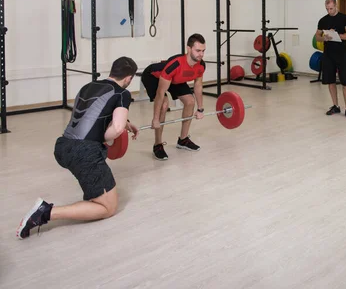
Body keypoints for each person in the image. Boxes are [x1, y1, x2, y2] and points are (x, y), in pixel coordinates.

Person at [16, 57, 139, 239]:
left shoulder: (88, 86)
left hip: (63, 146)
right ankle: (46, 212)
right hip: (85, 152)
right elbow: (117, 129)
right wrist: (110, 133)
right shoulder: (122, 93)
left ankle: (92, 196)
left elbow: (92, 114)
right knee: (109, 208)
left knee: (98, 192)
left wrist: (125, 121)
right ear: (129, 78)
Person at [141, 33, 206, 160]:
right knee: (164, 105)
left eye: (203, 51)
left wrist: (200, 109)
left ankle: (183, 140)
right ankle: (158, 145)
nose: (201, 54)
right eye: (198, 50)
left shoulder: (201, 65)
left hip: (176, 79)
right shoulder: (174, 65)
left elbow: (198, 86)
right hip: (153, 76)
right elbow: (160, 93)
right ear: (188, 49)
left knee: (190, 101)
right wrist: (155, 119)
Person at [315, 0, 346, 119]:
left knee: (345, 82)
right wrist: (325, 38)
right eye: (327, 9)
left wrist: (337, 35)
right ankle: (335, 105)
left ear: (336, 5)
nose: (329, 11)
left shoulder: (345, 18)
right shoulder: (323, 20)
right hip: (328, 55)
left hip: (342, 54)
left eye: (331, 8)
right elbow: (317, 36)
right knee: (330, 81)